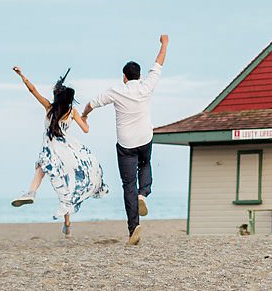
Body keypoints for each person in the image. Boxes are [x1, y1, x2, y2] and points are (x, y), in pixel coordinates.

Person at [83, 34, 167, 246]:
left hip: (126, 144)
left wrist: (84, 115)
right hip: (144, 138)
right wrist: (164, 43)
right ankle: (144, 193)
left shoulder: (116, 91)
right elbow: (158, 63)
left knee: (127, 184)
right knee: (145, 163)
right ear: (138, 76)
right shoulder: (147, 86)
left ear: (124, 77)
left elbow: (93, 103)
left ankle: (133, 229)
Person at [10, 67, 109, 235]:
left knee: (40, 170)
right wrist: (85, 118)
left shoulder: (49, 108)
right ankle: (67, 224)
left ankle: (31, 193)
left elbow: (33, 90)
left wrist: (21, 75)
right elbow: (85, 129)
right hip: (67, 151)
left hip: (51, 149)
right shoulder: (72, 112)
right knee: (66, 185)